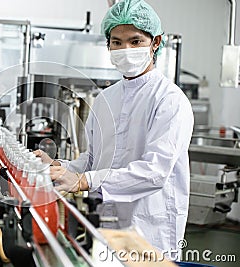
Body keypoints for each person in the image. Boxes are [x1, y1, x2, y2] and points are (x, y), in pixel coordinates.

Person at [34, 0, 194, 256]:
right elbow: (93, 159)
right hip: (108, 221)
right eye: (117, 42)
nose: (125, 49)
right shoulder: (106, 98)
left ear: (155, 42)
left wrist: (84, 181)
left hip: (151, 226)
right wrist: (58, 168)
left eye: (135, 41)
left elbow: (155, 171)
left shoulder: (170, 100)